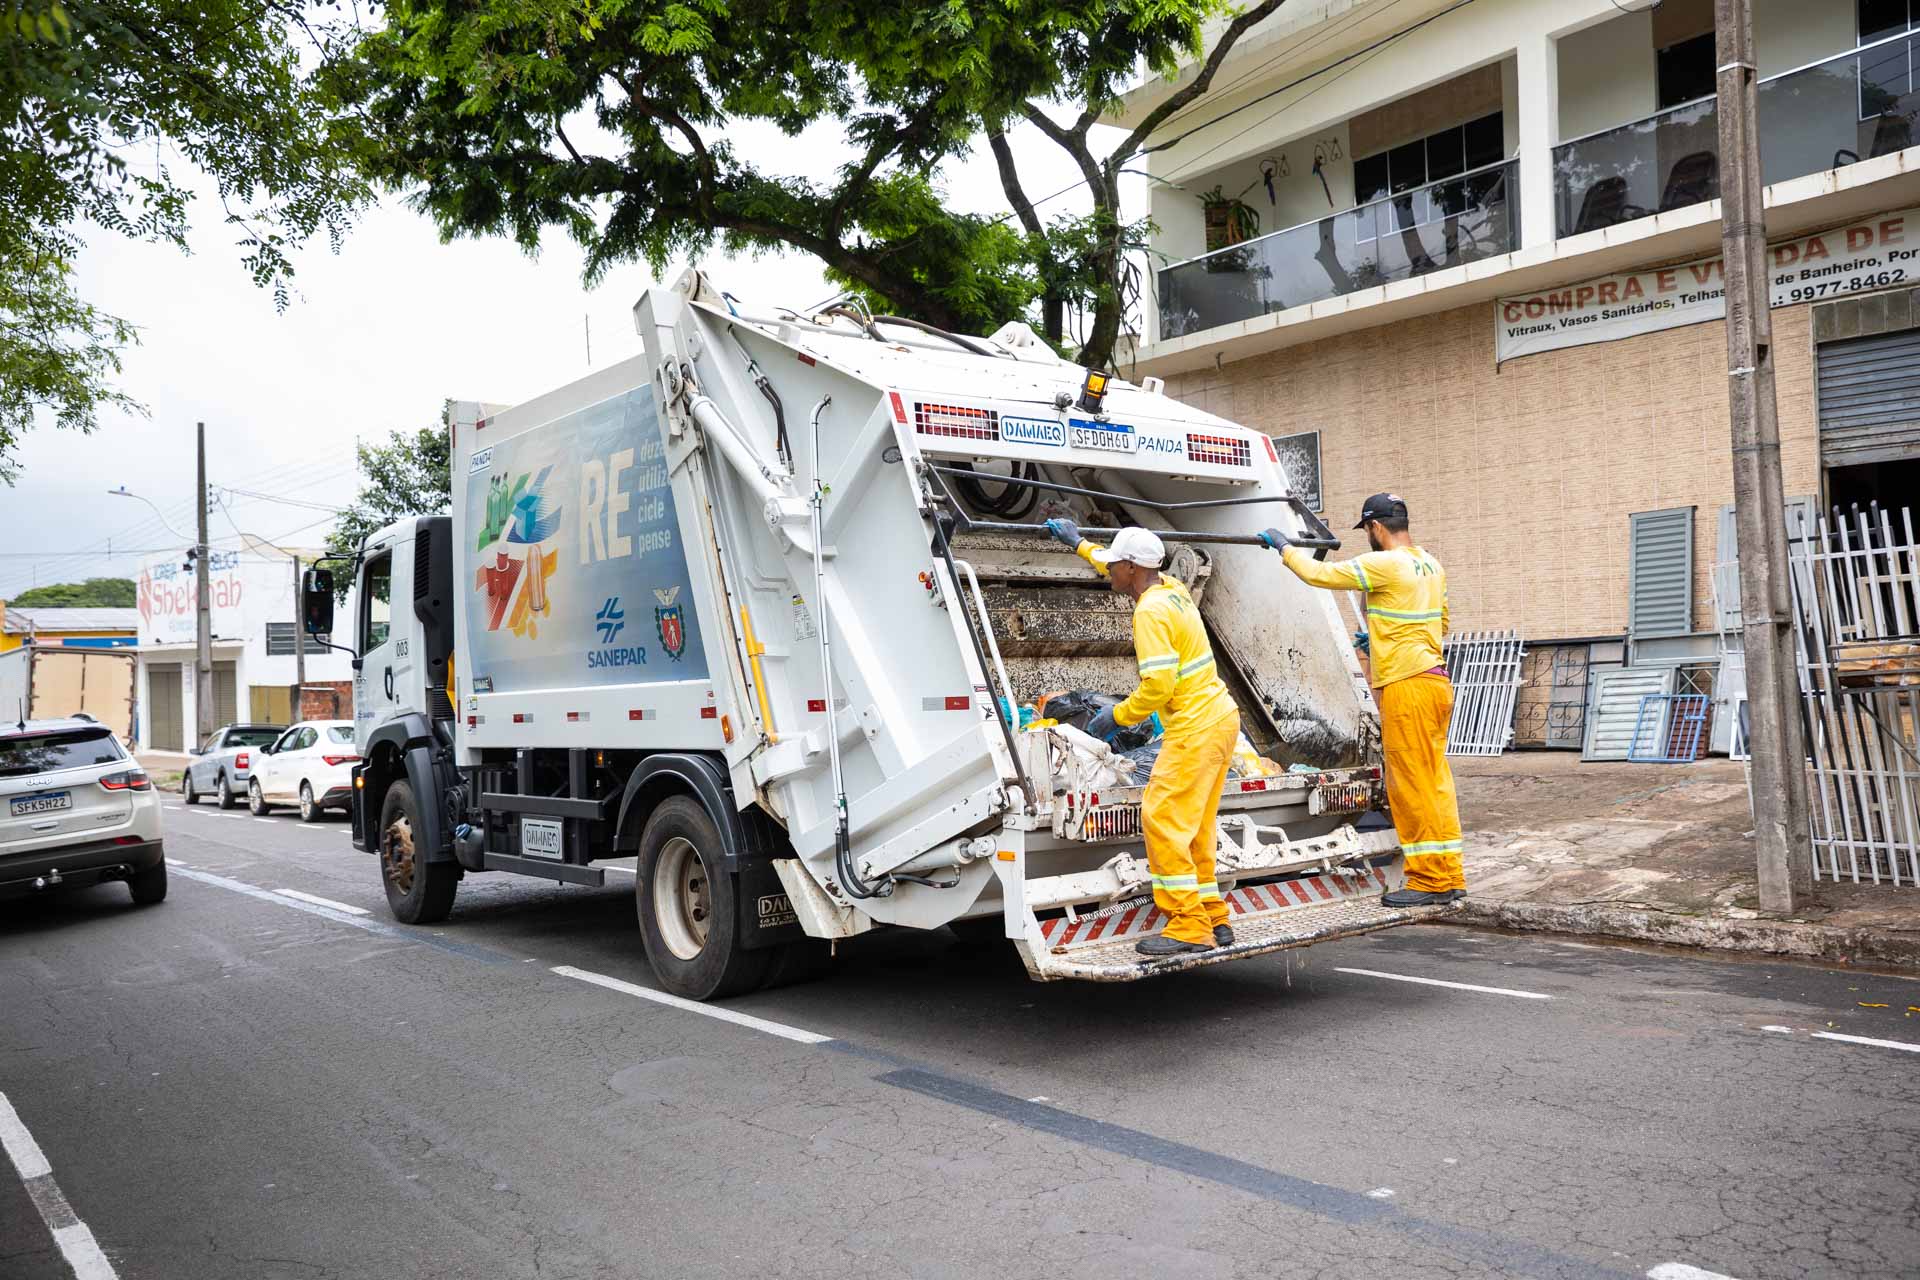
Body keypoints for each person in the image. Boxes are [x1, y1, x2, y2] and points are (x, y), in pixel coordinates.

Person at [1045, 518, 1241, 955]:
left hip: (1195, 729)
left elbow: (1157, 688)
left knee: (1162, 818)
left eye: (1116, 565)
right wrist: (1079, 544)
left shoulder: (1150, 611)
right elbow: (1109, 561)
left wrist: (1114, 717)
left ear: (1132, 568)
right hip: (1221, 719)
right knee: (1196, 825)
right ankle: (1212, 913)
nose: (1110, 570)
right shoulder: (1171, 588)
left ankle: (1189, 927)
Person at [1259, 493, 1466, 907]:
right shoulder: (1430, 564)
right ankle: (1449, 874)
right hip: (1435, 682)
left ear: (1374, 527)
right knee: (1436, 783)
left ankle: (1428, 882)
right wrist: (1380, 638)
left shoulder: (1383, 563)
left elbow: (1320, 576)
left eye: (1366, 530)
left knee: (1408, 786)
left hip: (1406, 687)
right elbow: (1438, 622)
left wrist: (1283, 547)